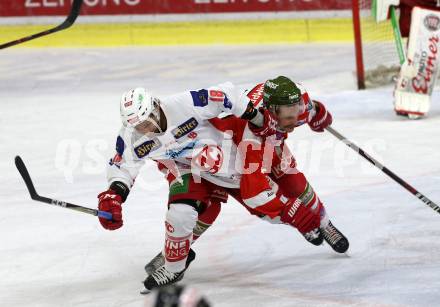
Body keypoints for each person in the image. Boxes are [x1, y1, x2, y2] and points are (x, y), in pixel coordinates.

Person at [97, 77, 349, 293]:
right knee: (183, 212)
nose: (146, 128)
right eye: (138, 125)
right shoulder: (132, 136)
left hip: (230, 151)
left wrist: (261, 117)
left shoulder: (184, 104)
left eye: (147, 120)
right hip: (190, 169)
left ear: (155, 106)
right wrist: (114, 195)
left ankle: (324, 223)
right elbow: (122, 165)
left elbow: (227, 93)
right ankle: (174, 264)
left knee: (291, 183)